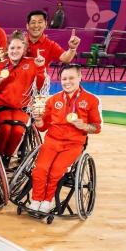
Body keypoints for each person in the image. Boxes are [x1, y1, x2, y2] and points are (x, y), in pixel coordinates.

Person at [30, 65, 101, 213]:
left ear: (80, 78)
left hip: (73, 144)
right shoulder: (53, 100)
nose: (67, 82)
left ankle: (47, 201)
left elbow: (96, 127)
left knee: (56, 171)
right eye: (64, 78)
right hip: (52, 141)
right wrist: (38, 121)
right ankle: (37, 199)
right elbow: (43, 127)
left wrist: (84, 126)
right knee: (40, 169)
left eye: (71, 78)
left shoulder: (92, 100)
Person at [0, 30, 46, 166]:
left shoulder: (32, 63)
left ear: (24, 49)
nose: (15, 51)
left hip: (21, 108)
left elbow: (40, 86)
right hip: (1, 107)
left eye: (19, 47)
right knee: (5, 130)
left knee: (18, 131)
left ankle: (7, 158)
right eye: (12, 48)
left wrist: (41, 68)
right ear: (8, 49)